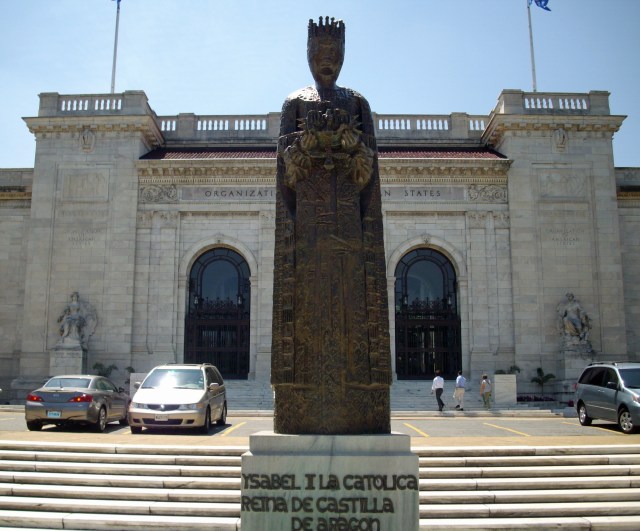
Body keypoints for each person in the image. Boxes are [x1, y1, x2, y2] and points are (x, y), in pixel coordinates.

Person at [270, 17, 391, 435]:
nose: (328, 61)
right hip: (308, 231)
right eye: (321, 54)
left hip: (350, 231)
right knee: (306, 317)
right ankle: (299, 400)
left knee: (354, 316)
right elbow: (286, 173)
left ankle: (362, 399)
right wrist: (307, 144)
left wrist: (351, 144)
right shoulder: (294, 103)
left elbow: (367, 173)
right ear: (309, 55)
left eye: (335, 54)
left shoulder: (357, 103)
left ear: (343, 56)